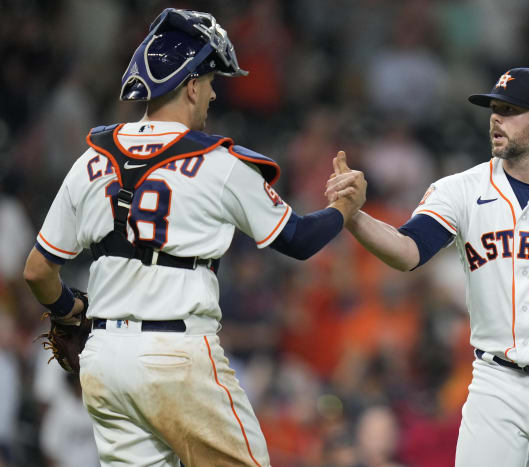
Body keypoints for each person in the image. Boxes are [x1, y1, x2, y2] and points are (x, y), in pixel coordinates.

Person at [23, 8, 365, 467]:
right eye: (209, 83)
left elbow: (37, 270)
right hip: (177, 356)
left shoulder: (90, 160)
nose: (213, 93)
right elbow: (299, 240)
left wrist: (68, 315)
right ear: (189, 85)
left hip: (105, 360)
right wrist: (345, 206)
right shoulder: (218, 163)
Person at [325, 67, 529, 466]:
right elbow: (408, 250)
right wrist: (355, 217)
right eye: (494, 108)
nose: (496, 118)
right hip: (494, 380)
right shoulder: (461, 189)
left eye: (511, 109)